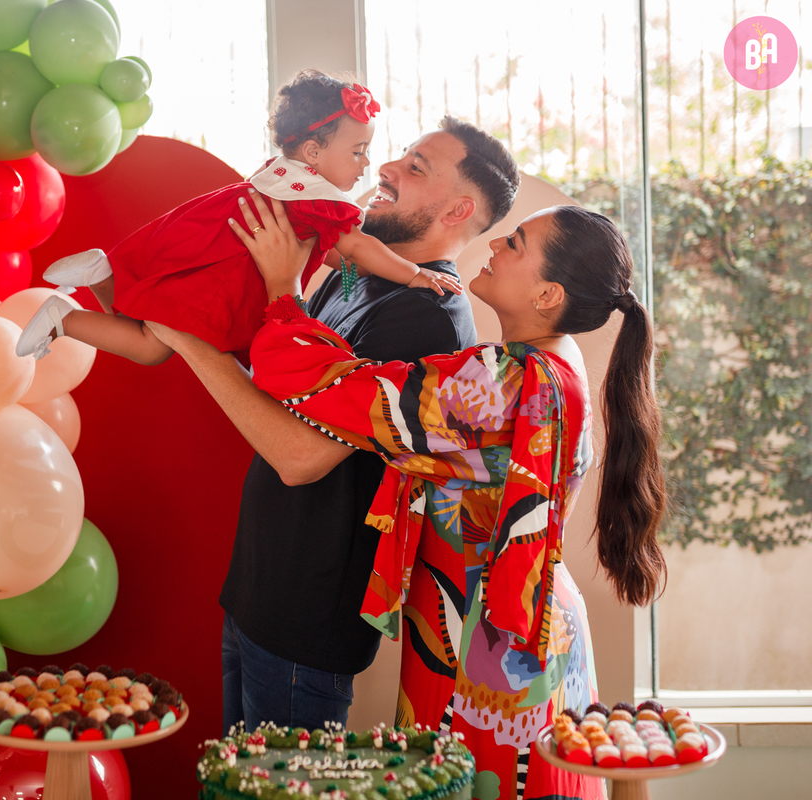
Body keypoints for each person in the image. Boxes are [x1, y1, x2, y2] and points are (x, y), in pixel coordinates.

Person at [158, 198, 668, 800]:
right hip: (517, 619)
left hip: (487, 636)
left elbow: (348, 394)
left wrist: (280, 287)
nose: (498, 244)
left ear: (548, 295)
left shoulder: (503, 383)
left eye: (518, 244)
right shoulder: (556, 362)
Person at [137, 115, 520, 734]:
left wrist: (192, 335)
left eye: (415, 167)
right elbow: (281, 383)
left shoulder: (427, 317)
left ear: (458, 211)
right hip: (260, 592)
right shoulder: (358, 276)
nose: (386, 169)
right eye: (397, 156)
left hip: (305, 621)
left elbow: (300, 456)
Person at [14, 70, 463, 365]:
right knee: (152, 349)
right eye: (357, 152)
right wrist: (412, 276)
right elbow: (359, 245)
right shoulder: (320, 200)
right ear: (313, 151)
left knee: (138, 319)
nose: (367, 164)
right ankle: (63, 318)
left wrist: (343, 263)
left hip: (204, 242)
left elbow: (322, 251)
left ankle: (102, 274)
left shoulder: (282, 176)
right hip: (224, 277)